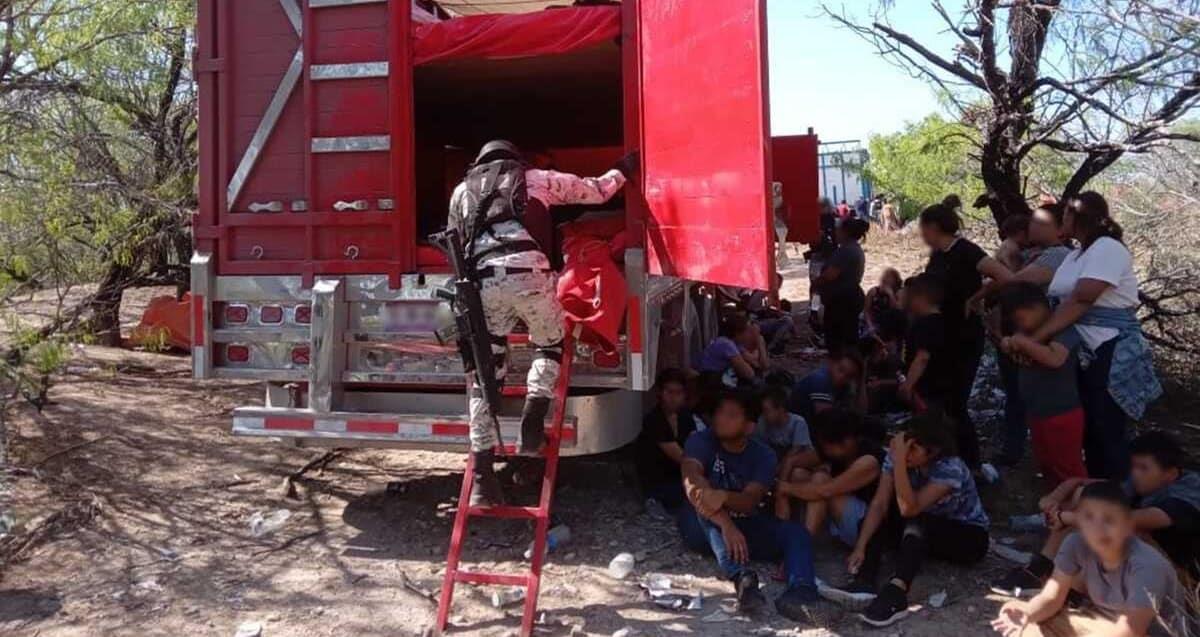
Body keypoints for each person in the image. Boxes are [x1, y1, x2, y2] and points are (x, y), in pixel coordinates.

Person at [448, 140, 635, 505]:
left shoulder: (460, 192)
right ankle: (533, 423)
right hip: (529, 272)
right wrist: (624, 170)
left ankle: (483, 478)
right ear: (515, 161)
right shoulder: (535, 179)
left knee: (486, 375)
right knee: (549, 341)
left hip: (483, 283)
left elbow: (455, 244)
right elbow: (597, 192)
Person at [1023, 192, 1161, 480]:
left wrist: (1037, 338)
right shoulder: (1076, 253)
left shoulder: (1107, 249)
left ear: (1077, 217)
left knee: (1105, 429)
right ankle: (1083, 505)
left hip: (1107, 347)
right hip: (1078, 348)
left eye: (1065, 215)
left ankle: (1115, 506)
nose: (1061, 220)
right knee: (1084, 430)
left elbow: (1082, 299)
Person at [829, 414, 990, 627]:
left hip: (967, 535)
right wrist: (861, 546)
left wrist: (899, 464)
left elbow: (909, 508)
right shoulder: (898, 456)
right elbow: (880, 504)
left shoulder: (951, 468)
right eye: (906, 446)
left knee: (917, 521)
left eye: (913, 449)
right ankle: (864, 582)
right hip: (924, 530)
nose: (907, 453)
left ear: (933, 451)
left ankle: (897, 592)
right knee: (878, 517)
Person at [994, 431, 1200, 597]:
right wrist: (1054, 498)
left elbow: (1130, 520)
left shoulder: (1186, 495)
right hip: (1146, 563)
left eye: (1144, 468)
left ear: (1171, 474)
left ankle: (1070, 587)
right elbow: (1082, 484)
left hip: (1182, 579)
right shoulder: (1147, 482)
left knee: (1128, 530)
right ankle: (1042, 570)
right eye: (1134, 466)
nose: (1136, 473)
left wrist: (1066, 517)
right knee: (1086, 496)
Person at [677, 392, 819, 620]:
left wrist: (722, 496)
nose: (721, 419)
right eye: (720, 413)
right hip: (702, 525)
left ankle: (801, 592)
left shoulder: (764, 455)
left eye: (731, 415)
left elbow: (749, 500)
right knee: (701, 507)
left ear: (750, 426)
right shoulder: (700, 440)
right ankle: (742, 577)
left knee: (796, 533)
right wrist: (725, 523)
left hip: (746, 523)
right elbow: (693, 484)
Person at [992, 482, 1192, 637]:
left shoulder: (1146, 565)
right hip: (1107, 625)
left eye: (1109, 520)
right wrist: (1027, 612)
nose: (1097, 529)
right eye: (1088, 518)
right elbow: (1052, 598)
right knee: (1022, 619)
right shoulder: (1075, 543)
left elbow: (1130, 631)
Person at [976, 203, 1072, 467]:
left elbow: (1015, 281)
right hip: (1014, 334)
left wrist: (996, 268)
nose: (1032, 227)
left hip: (1034, 337)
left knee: (1026, 394)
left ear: (1060, 229)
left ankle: (1024, 451)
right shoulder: (1032, 253)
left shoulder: (1058, 255)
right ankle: (1017, 448)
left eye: (1041, 223)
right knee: (1016, 392)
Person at [919, 202, 1013, 468]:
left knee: (956, 403)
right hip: (942, 336)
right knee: (942, 401)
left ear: (934, 227)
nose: (922, 235)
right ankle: (946, 457)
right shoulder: (938, 255)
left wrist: (976, 297)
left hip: (964, 337)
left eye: (923, 229)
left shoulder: (967, 251)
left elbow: (1004, 276)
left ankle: (971, 463)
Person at [999, 283, 1087, 485]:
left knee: (1068, 467)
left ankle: (1078, 511)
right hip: (1037, 412)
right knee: (1048, 464)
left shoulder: (1063, 329)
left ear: (1037, 308)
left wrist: (1024, 343)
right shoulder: (1026, 333)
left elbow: (1055, 359)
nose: (1019, 325)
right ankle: (1055, 511)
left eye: (1021, 318)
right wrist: (1008, 343)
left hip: (1061, 413)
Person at [776, 409, 885, 543]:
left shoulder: (869, 461)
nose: (822, 449)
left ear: (845, 442)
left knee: (819, 481)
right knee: (798, 474)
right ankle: (791, 531)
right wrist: (781, 497)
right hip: (844, 512)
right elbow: (791, 461)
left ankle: (803, 545)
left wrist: (785, 489)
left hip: (867, 527)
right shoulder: (838, 450)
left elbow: (824, 491)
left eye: (825, 444)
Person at [635, 368, 698, 512]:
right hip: (660, 481)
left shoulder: (685, 416)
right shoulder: (654, 420)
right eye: (669, 392)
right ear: (660, 393)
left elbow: (695, 445)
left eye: (678, 393)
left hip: (680, 476)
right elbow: (682, 459)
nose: (673, 397)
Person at [815, 218, 870, 354]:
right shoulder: (852, 249)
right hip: (848, 298)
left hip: (841, 301)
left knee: (838, 340)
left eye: (838, 230)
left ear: (845, 232)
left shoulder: (846, 251)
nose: (835, 233)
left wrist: (817, 282)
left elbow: (830, 275)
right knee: (848, 337)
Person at [898, 274, 952, 413]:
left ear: (921, 298)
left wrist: (908, 384)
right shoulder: (942, 322)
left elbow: (923, 357)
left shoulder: (926, 323)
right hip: (936, 388)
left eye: (912, 298)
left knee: (926, 424)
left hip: (927, 390)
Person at [754, 386, 818, 476]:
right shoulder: (763, 422)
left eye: (767, 411)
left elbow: (795, 452)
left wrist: (775, 470)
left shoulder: (798, 422)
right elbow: (760, 448)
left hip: (801, 464)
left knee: (797, 474)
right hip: (778, 465)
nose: (764, 415)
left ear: (781, 409)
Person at [788, 349, 865, 422]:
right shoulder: (820, 380)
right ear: (831, 363)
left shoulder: (844, 385)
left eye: (849, 376)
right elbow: (827, 423)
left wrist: (861, 382)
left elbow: (860, 413)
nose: (842, 377)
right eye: (840, 369)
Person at [697, 312, 765, 388]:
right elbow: (749, 373)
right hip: (709, 383)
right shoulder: (726, 344)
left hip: (718, 380)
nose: (749, 334)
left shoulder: (735, 344)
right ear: (738, 333)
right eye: (747, 331)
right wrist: (759, 343)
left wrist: (758, 344)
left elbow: (755, 362)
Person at [807, 198, 839, 333]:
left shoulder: (827, 221)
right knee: (818, 289)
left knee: (817, 289)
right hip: (823, 257)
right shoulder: (830, 221)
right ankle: (815, 313)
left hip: (825, 258)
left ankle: (816, 313)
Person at [865, 267, 902, 335]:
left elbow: (896, 311)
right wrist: (870, 325)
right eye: (885, 277)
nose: (886, 279)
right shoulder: (873, 291)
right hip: (872, 322)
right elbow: (867, 311)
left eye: (889, 277)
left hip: (888, 325)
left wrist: (890, 295)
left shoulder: (898, 293)